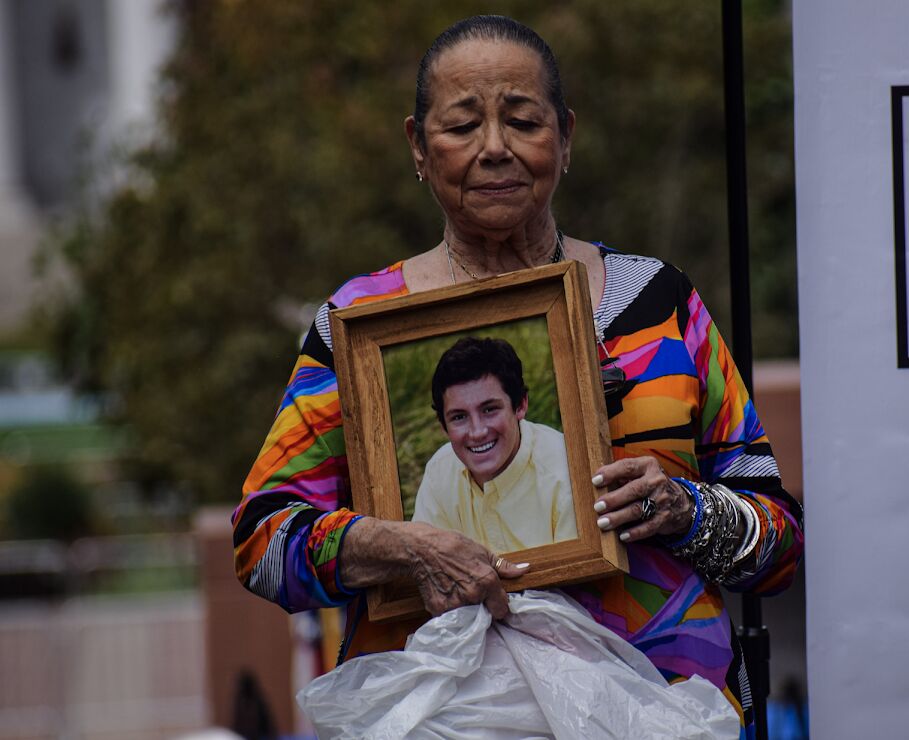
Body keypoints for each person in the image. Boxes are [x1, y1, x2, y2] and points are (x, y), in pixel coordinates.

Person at [233, 14, 804, 734]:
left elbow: (778, 542)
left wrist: (686, 512)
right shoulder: (357, 328)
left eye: (523, 121)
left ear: (564, 137)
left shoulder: (657, 306)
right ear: (416, 144)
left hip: (662, 709)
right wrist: (397, 546)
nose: (494, 149)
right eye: (462, 125)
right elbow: (262, 543)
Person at [411, 336, 577, 551]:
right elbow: (428, 566)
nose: (477, 432)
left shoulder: (568, 473)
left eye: (489, 410)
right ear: (443, 425)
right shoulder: (439, 471)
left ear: (520, 405)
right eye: (459, 417)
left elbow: (577, 581)